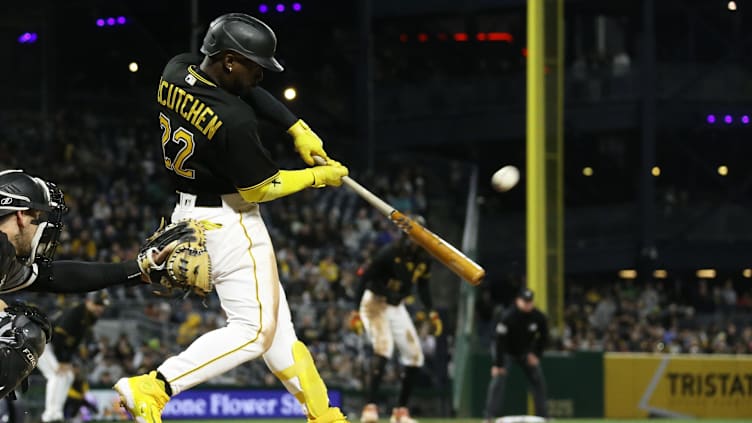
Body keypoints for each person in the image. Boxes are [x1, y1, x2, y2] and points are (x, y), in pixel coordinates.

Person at [113, 12, 350, 423]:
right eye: (254, 66)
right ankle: (156, 385)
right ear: (228, 60)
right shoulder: (235, 122)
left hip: (189, 213)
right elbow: (262, 188)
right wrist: (318, 176)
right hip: (231, 220)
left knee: (276, 326)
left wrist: (295, 126)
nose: (260, 76)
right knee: (254, 331)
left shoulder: (176, 69)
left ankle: (323, 414)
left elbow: (243, 93)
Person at [0, 169, 174, 401]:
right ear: (21, 215)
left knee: (18, 329)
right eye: (37, 218)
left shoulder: (6, 257)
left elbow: (56, 276)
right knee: (21, 332)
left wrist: (136, 269)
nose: (39, 228)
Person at [349, 218, 443, 423]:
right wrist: (355, 311)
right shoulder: (390, 253)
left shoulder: (424, 258)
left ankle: (400, 412)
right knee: (384, 348)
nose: (418, 240)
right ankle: (369, 407)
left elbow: (423, 286)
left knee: (415, 356)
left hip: (396, 306)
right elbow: (365, 278)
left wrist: (431, 312)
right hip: (375, 302)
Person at [37, 290, 111, 423]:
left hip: (53, 345)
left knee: (68, 375)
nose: (100, 308)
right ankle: (48, 417)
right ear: (88, 301)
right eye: (97, 304)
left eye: (102, 305)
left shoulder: (89, 316)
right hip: (41, 340)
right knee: (56, 374)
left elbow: (73, 342)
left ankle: (57, 414)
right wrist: (62, 360)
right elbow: (59, 336)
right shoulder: (77, 312)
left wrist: (67, 361)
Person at [483, 288, 549, 422]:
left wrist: (535, 354)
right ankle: (489, 416)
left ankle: (543, 416)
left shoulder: (538, 317)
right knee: (498, 381)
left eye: (529, 302)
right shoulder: (508, 316)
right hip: (506, 352)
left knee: (538, 381)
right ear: (518, 301)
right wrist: (498, 364)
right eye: (525, 301)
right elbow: (499, 341)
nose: (527, 304)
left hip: (525, 352)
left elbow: (544, 337)